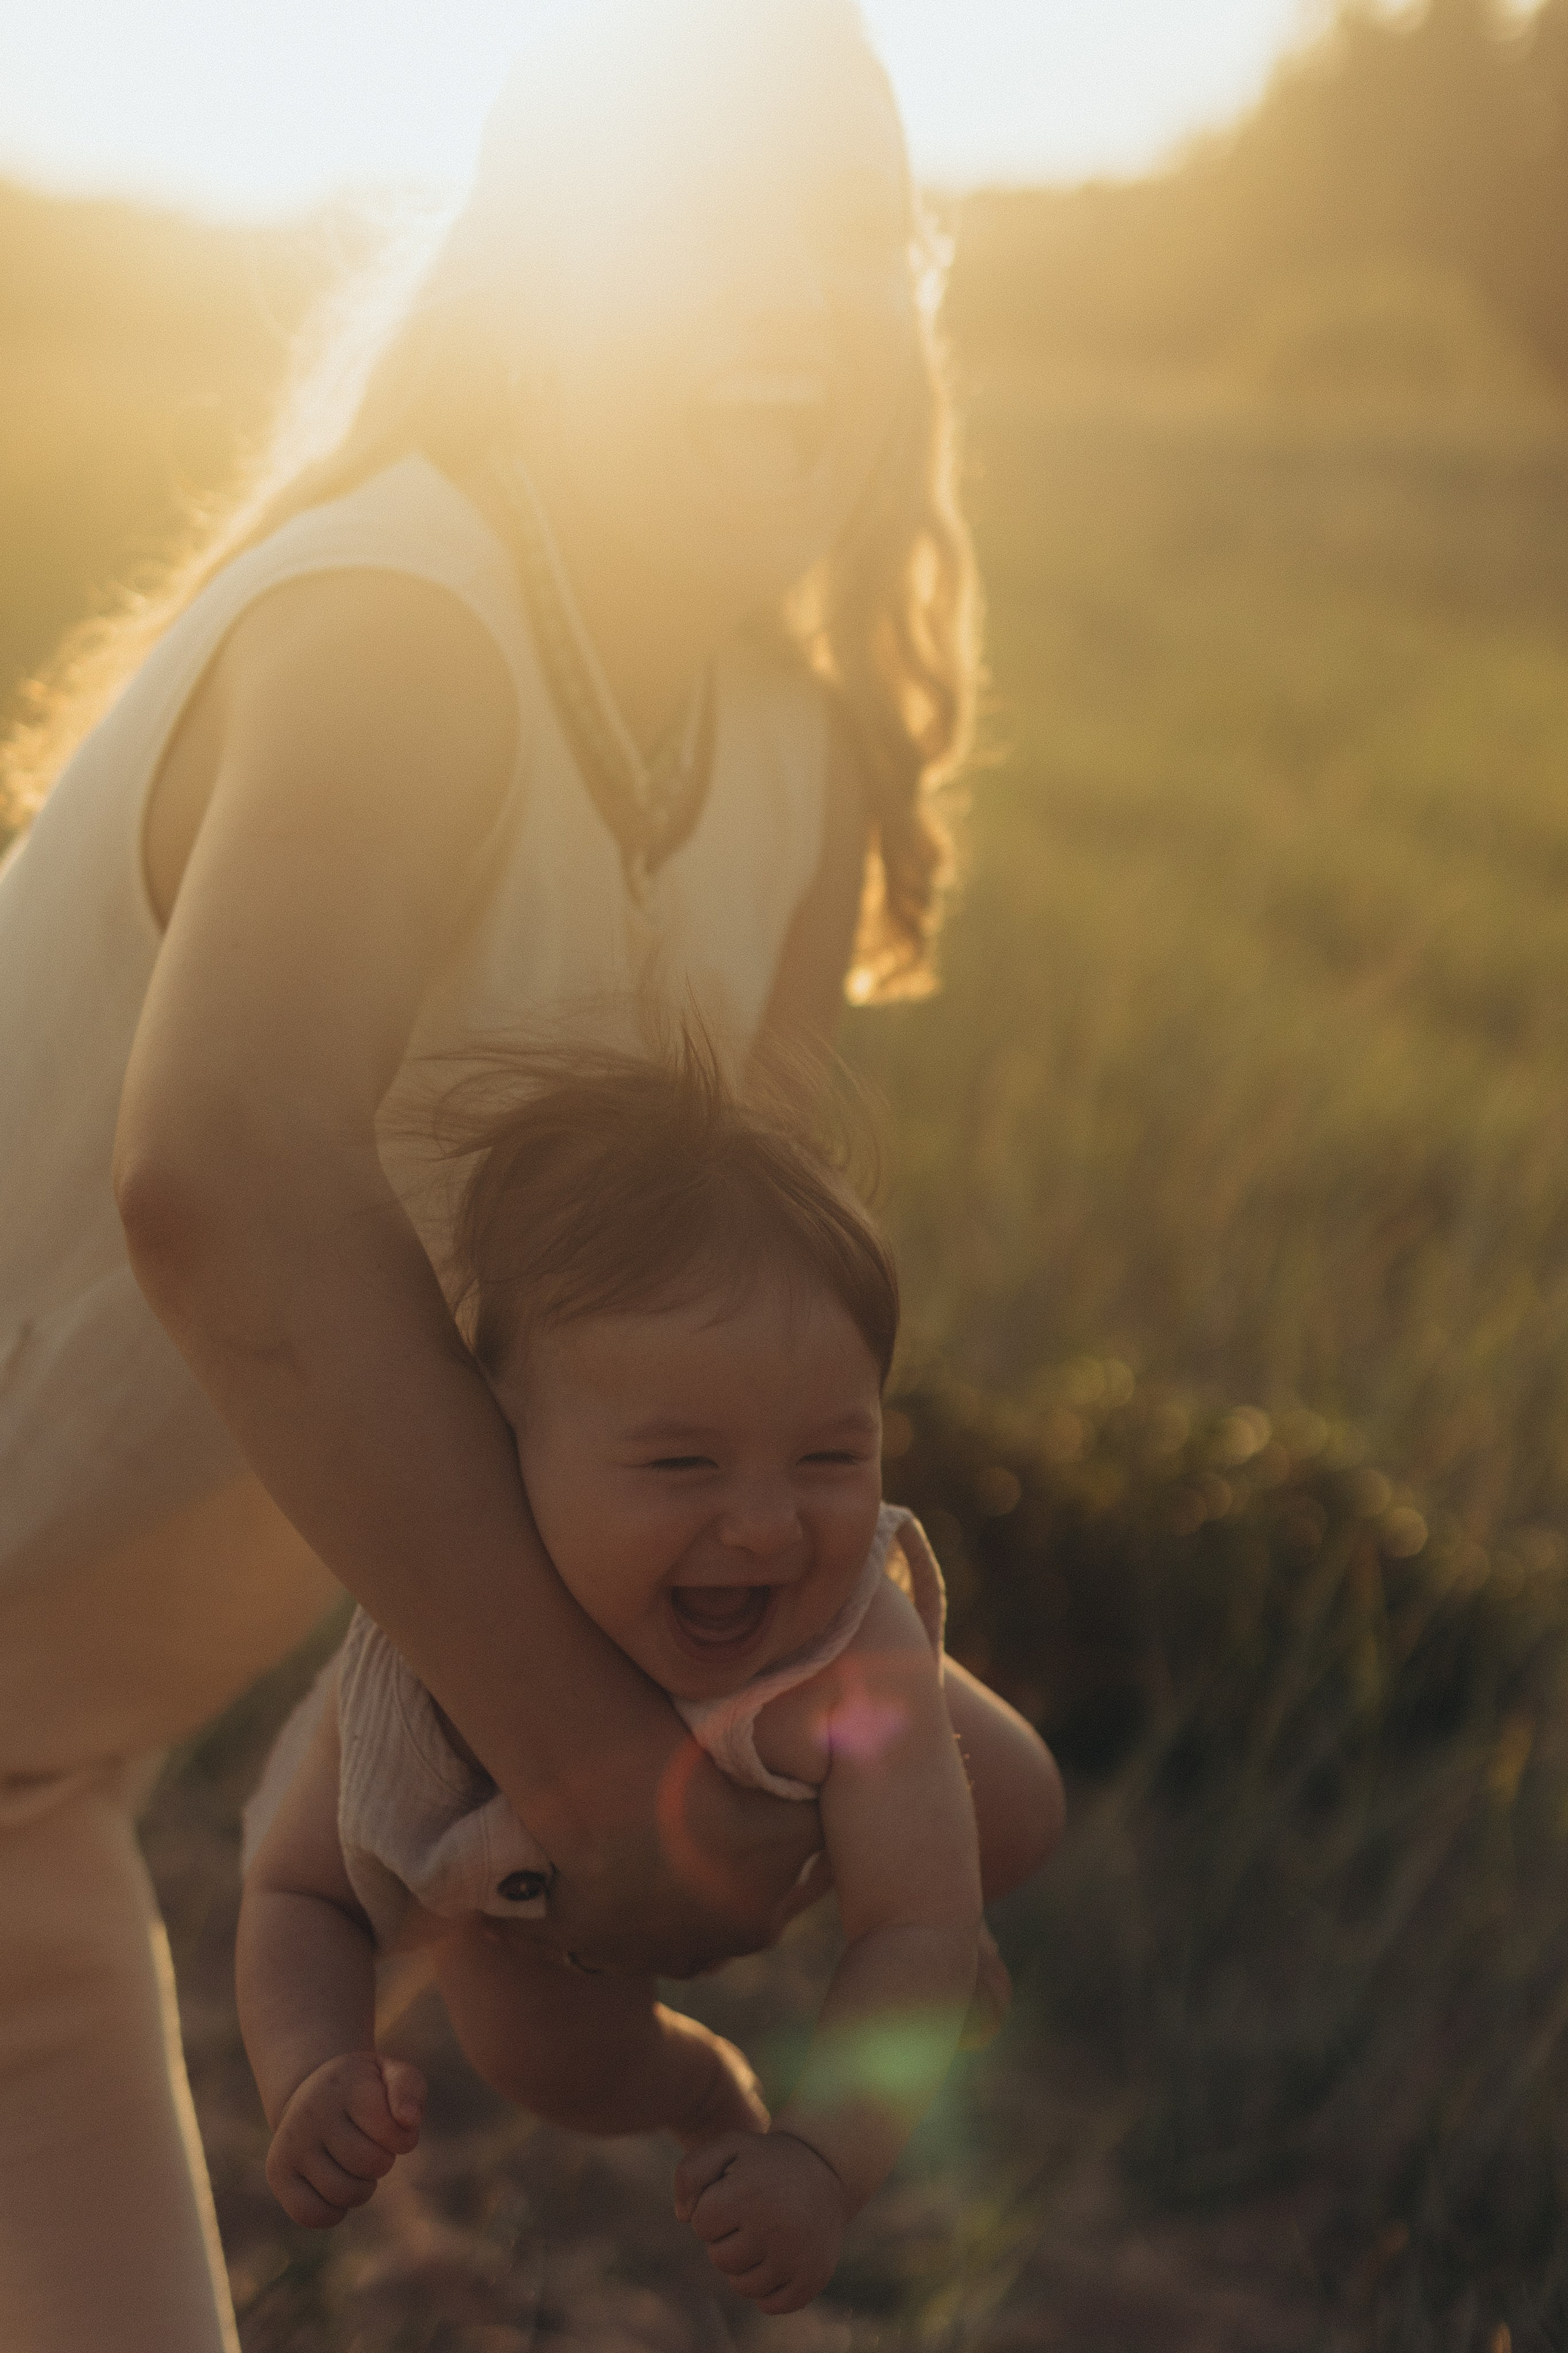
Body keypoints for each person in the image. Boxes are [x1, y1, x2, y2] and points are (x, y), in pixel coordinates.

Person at [0, 2, 1062, 2346]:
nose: (790, 300)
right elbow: (222, 1165)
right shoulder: (404, 630)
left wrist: (828, 1725)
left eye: (849, 237)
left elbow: (689, 1379)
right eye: (701, 229)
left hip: (33, 1786)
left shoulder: (780, 777)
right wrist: (590, 1777)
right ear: (536, 271)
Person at [238, 1042, 1061, 2316]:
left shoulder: (846, 1639)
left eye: (831, 1454)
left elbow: (909, 1922)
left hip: (829, 1771)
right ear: (504, 1449)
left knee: (1006, 1803)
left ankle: (910, 1863)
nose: (770, 1527)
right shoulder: (425, 1661)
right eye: (682, 1465)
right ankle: (700, 2090)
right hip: (539, 1925)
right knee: (551, 2064)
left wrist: (820, 2164)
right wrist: (309, 2071)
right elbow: (298, 1892)